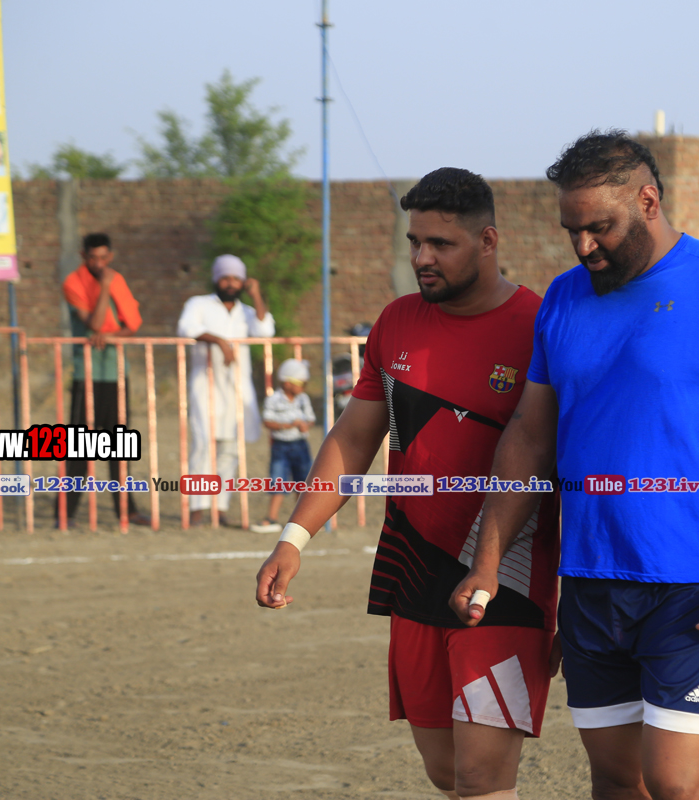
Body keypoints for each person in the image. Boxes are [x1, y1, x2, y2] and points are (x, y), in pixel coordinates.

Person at [450, 131, 699, 800]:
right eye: (572, 230)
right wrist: (487, 561)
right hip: (589, 579)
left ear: (648, 201)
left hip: (693, 580)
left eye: (599, 228)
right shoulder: (564, 298)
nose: (584, 246)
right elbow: (529, 436)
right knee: (616, 778)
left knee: (677, 783)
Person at [255, 168, 560, 800]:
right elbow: (353, 438)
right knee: (444, 772)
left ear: (488, 241)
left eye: (440, 244)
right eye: (414, 242)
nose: (421, 257)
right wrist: (294, 537)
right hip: (413, 567)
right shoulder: (395, 322)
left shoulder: (540, 325)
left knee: (482, 775)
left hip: (507, 574)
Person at [61, 232, 150, 527]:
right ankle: (66, 513)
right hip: (86, 374)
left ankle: (127, 510)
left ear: (110, 256)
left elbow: (132, 326)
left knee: (120, 447)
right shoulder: (73, 283)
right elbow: (95, 324)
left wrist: (111, 337)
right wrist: (104, 288)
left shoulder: (117, 280)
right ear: (83, 256)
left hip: (116, 374)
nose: (98, 263)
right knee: (80, 449)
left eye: (103, 258)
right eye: (92, 258)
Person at [177, 254, 274, 526]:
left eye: (236, 279)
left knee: (231, 447)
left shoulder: (247, 311)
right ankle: (196, 509)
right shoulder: (199, 304)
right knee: (203, 444)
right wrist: (219, 341)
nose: (230, 283)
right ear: (216, 279)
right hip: (205, 385)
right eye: (225, 278)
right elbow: (186, 328)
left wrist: (256, 295)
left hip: (237, 388)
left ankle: (219, 508)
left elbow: (265, 331)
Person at [251, 358, 316, 534]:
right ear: (287, 383)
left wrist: (304, 424)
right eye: (301, 383)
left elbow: (310, 419)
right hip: (280, 447)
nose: (304, 387)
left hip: (300, 445)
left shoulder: (303, 399)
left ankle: (302, 520)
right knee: (278, 481)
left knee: (303, 482)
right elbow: (267, 421)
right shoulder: (273, 400)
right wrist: (289, 425)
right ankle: (271, 518)